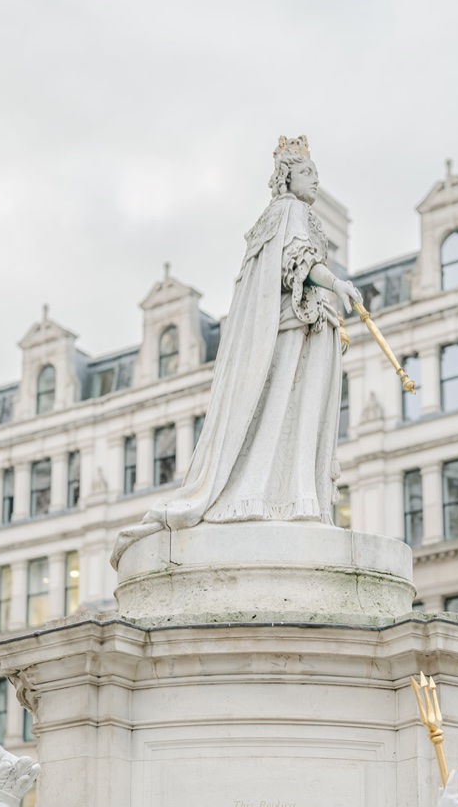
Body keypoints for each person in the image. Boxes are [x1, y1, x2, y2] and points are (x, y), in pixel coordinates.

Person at [113, 135, 363, 564]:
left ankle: (291, 496)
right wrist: (336, 283)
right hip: (295, 330)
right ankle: (291, 498)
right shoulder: (288, 211)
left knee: (292, 417)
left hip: (309, 327)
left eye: (316, 174)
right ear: (287, 177)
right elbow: (296, 262)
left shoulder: (291, 215)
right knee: (290, 414)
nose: (315, 181)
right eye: (307, 172)